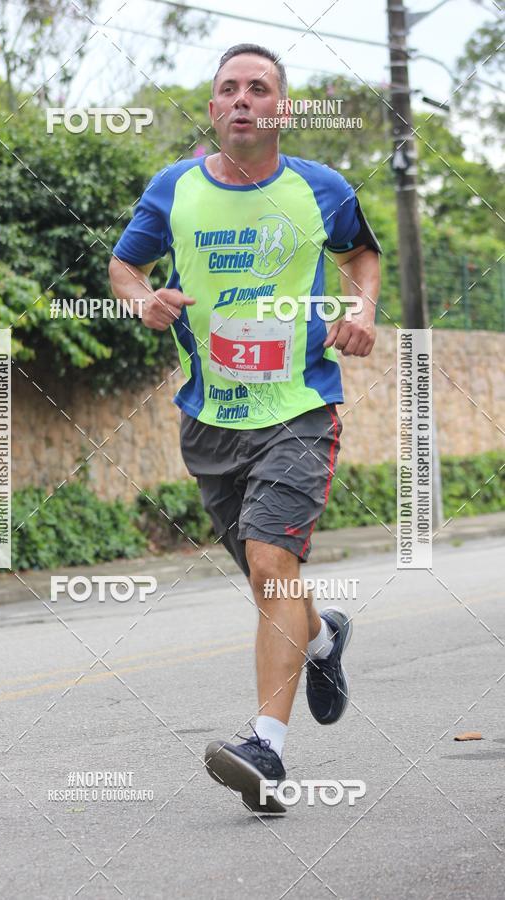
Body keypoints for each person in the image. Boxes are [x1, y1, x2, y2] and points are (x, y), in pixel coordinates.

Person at [109, 43, 382, 814]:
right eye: (228, 89)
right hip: (210, 419)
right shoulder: (173, 190)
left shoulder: (320, 188)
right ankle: (324, 638)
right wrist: (141, 299)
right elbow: (124, 267)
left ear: (281, 110)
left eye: (257, 89)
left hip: (298, 408)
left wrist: (360, 309)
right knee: (273, 585)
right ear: (211, 110)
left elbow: (362, 256)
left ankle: (265, 749)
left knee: (270, 564)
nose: (241, 100)